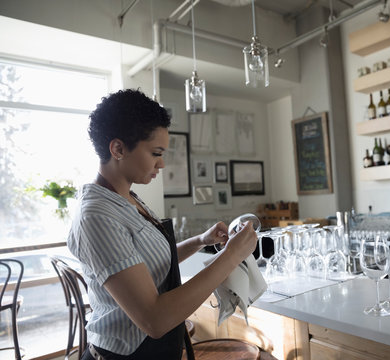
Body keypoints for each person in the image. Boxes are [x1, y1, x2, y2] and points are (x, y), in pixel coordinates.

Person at [67, 89, 258, 359]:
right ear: (118, 149)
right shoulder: (97, 216)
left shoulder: (127, 198)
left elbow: (144, 265)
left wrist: (199, 242)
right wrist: (232, 255)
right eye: (156, 152)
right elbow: (154, 319)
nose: (162, 163)